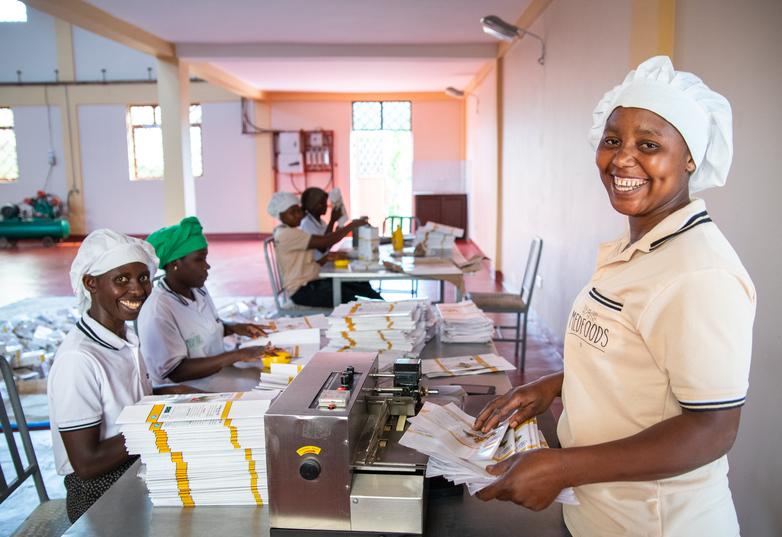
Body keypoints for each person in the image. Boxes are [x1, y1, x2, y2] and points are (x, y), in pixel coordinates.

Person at [473, 56, 755, 536]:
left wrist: (562, 468)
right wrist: (555, 386)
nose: (622, 159)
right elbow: (632, 355)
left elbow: (712, 430)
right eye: (612, 140)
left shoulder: (698, 271)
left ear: (689, 158)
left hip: (656, 524)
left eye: (649, 145)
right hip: (596, 514)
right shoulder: (639, 249)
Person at [47, 230, 200, 522]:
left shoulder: (123, 338)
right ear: (91, 283)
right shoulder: (78, 360)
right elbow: (87, 464)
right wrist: (158, 424)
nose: (138, 290)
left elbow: (125, 402)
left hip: (135, 463)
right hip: (99, 492)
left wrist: (175, 394)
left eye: (143, 278)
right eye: (121, 279)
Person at [137, 216, 269, 384]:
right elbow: (176, 372)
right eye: (200, 259)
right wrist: (235, 355)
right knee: (266, 386)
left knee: (270, 372)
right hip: (188, 388)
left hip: (216, 372)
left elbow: (203, 327)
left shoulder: (198, 290)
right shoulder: (158, 310)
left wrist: (234, 327)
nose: (207, 266)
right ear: (175, 263)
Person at [268, 191, 383, 307]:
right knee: (352, 297)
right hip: (303, 291)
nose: (298, 215)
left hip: (311, 282)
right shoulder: (286, 234)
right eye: (292, 212)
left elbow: (304, 265)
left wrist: (327, 258)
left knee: (358, 284)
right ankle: (379, 308)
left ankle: (382, 305)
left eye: (298, 211)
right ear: (280, 215)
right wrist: (352, 225)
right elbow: (325, 242)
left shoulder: (291, 231)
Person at [299, 187, 343, 261]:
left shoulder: (321, 222)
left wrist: (337, 231)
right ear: (312, 206)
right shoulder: (306, 224)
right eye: (321, 203)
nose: (325, 206)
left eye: (325, 203)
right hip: (314, 265)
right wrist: (332, 221)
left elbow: (329, 243)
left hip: (323, 262)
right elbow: (323, 247)